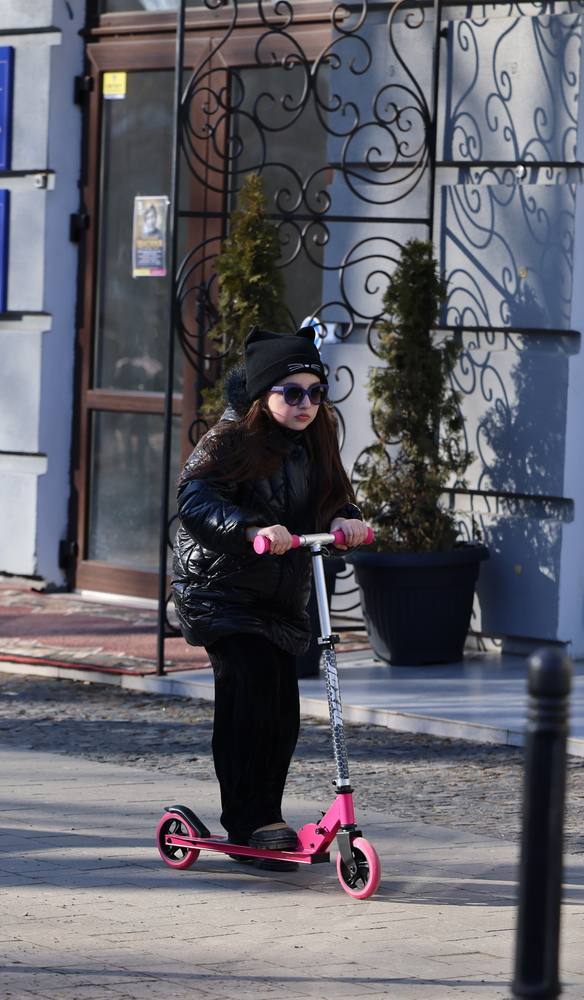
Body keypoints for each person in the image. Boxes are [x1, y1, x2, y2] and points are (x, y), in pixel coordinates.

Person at [172, 328, 368, 870]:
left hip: (279, 599)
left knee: (281, 708)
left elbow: (332, 494)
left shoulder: (317, 437)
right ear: (263, 393)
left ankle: (267, 817)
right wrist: (250, 529)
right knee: (250, 692)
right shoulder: (229, 439)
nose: (307, 404)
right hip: (219, 591)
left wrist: (345, 520)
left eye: (316, 392)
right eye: (293, 392)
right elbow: (196, 500)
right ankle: (249, 820)